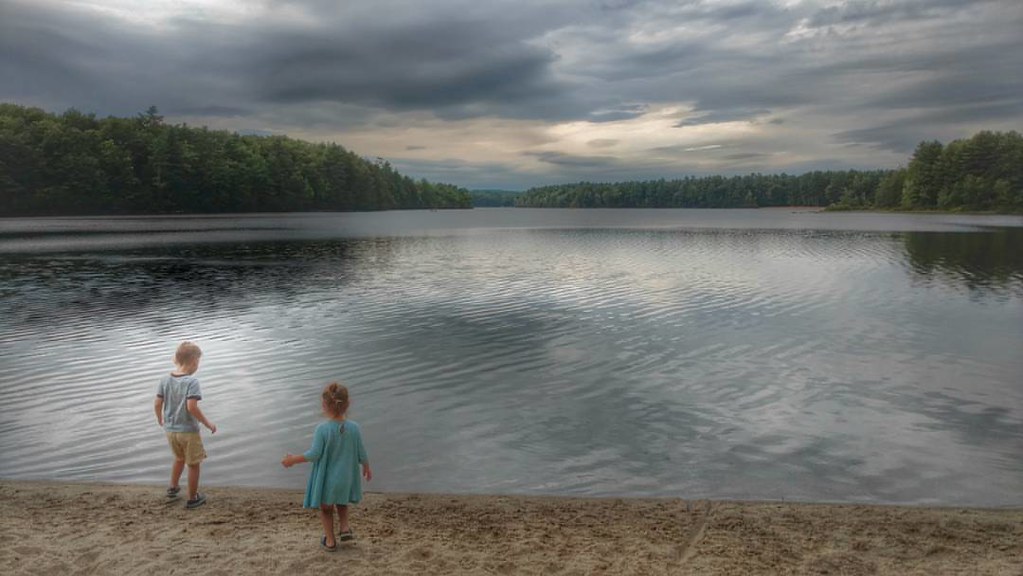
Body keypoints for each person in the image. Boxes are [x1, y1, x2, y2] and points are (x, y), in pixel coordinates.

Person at [282, 382, 372, 551]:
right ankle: (344, 527)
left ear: (324, 405)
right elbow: (361, 451)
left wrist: (293, 459)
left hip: (328, 479)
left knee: (326, 509)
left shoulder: (322, 429)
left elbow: (314, 454)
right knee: (342, 502)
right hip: (346, 478)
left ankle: (330, 541)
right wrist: (366, 466)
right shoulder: (354, 428)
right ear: (348, 404)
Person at [154, 341, 216, 509]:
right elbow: (191, 407)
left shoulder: (165, 379)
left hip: (171, 430)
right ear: (194, 361)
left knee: (179, 458)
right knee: (194, 465)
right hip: (188, 431)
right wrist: (208, 423)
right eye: (198, 362)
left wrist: (160, 418)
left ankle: (173, 488)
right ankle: (193, 498)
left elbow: (157, 403)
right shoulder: (192, 382)